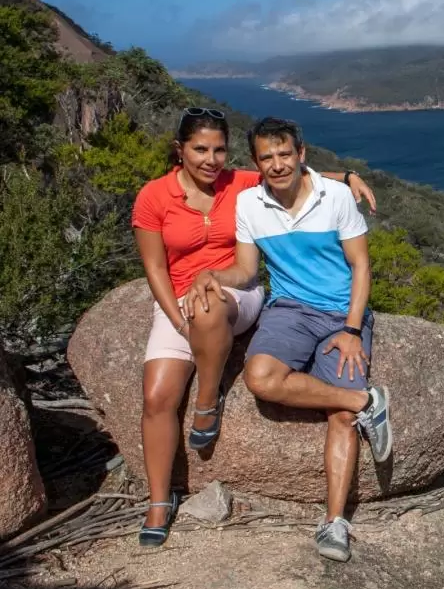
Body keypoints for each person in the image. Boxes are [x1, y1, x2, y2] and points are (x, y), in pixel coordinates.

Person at [132, 107, 377, 547]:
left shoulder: (240, 185)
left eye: (219, 149)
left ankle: (209, 403)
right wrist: (177, 318)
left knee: (209, 309)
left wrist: (348, 176)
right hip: (186, 305)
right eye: (200, 149)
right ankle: (158, 501)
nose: (211, 159)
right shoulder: (163, 196)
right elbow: (160, 268)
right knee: (158, 395)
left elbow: (297, 175)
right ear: (180, 150)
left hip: (247, 301)